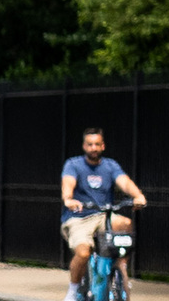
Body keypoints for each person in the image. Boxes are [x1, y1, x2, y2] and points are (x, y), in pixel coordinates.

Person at [60, 128, 149, 300]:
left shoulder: (110, 166)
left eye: (97, 144)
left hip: (103, 216)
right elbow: (68, 183)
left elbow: (124, 182)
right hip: (79, 217)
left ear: (103, 146)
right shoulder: (73, 164)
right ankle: (73, 290)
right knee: (83, 253)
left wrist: (138, 196)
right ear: (84, 146)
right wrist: (69, 199)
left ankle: (121, 267)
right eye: (90, 144)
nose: (93, 148)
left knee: (125, 223)